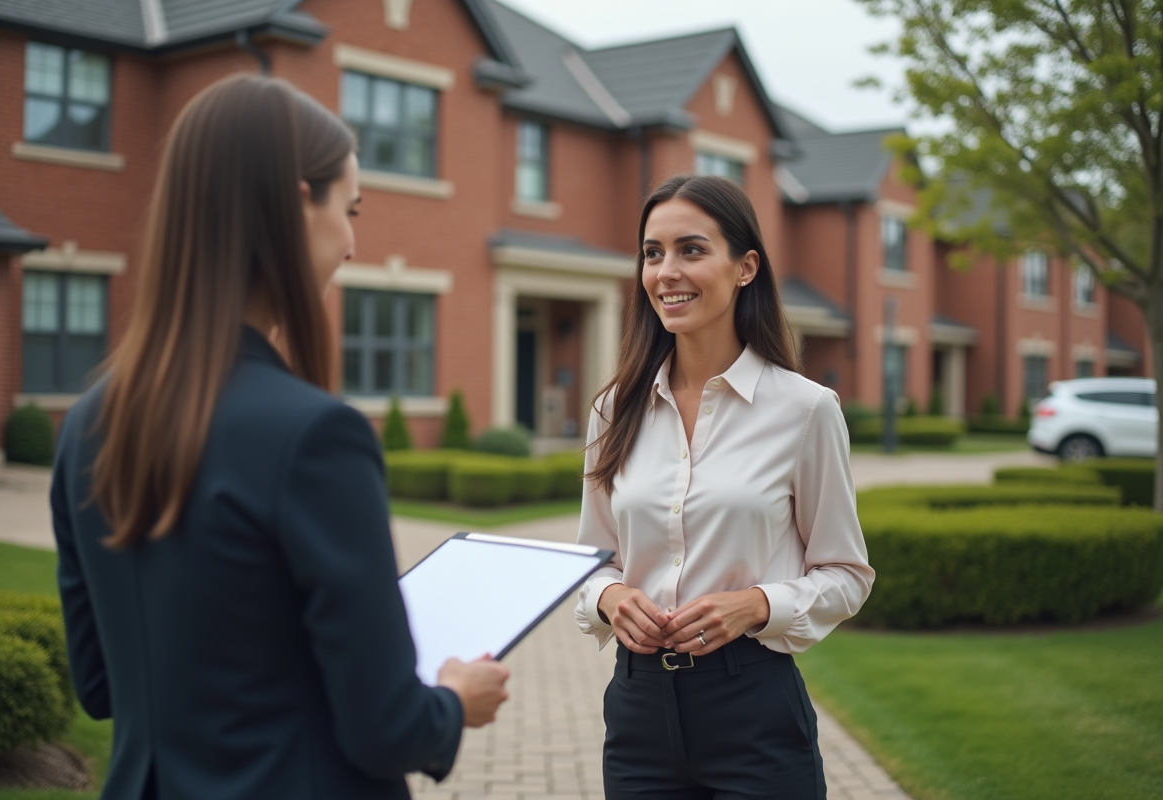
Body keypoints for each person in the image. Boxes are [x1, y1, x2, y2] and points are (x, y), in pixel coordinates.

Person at [49, 74, 509, 800]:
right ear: (299, 203)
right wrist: (454, 700)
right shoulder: (317, 436)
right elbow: (385, 727)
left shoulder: (85, 425)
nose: (353, 244)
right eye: (349, 209)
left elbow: (102, 686)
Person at [574, 174, 875, 799]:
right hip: (637, 717)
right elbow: (591, 564)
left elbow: (847, 574)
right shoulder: (614, 409)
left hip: (754, 712)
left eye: (691, 249)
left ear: (745, 267)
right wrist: (609, 598)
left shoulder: (806, 410)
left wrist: (758, 605)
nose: (666, 272)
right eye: (652, 254)